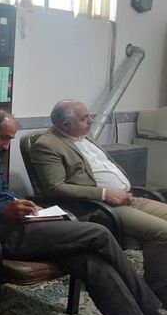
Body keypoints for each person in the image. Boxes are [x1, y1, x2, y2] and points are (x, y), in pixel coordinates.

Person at [0, 108, 167, 315]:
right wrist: (3, 210)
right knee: (99, 234)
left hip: (15, 223)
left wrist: (19, 203)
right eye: (3, 138)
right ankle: (153, 310)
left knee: (91, 262)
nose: (6, 146)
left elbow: (2, 190)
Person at [31, 99, 167, 304]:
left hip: (128, 197)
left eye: (89, 116)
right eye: (84, 118)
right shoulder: (47, 145)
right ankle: (156, 288)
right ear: (65, 125)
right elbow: (55, 187)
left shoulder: (86, 136)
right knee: (163, 232)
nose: (91, 121)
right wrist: (104, 194)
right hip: (99, 207)